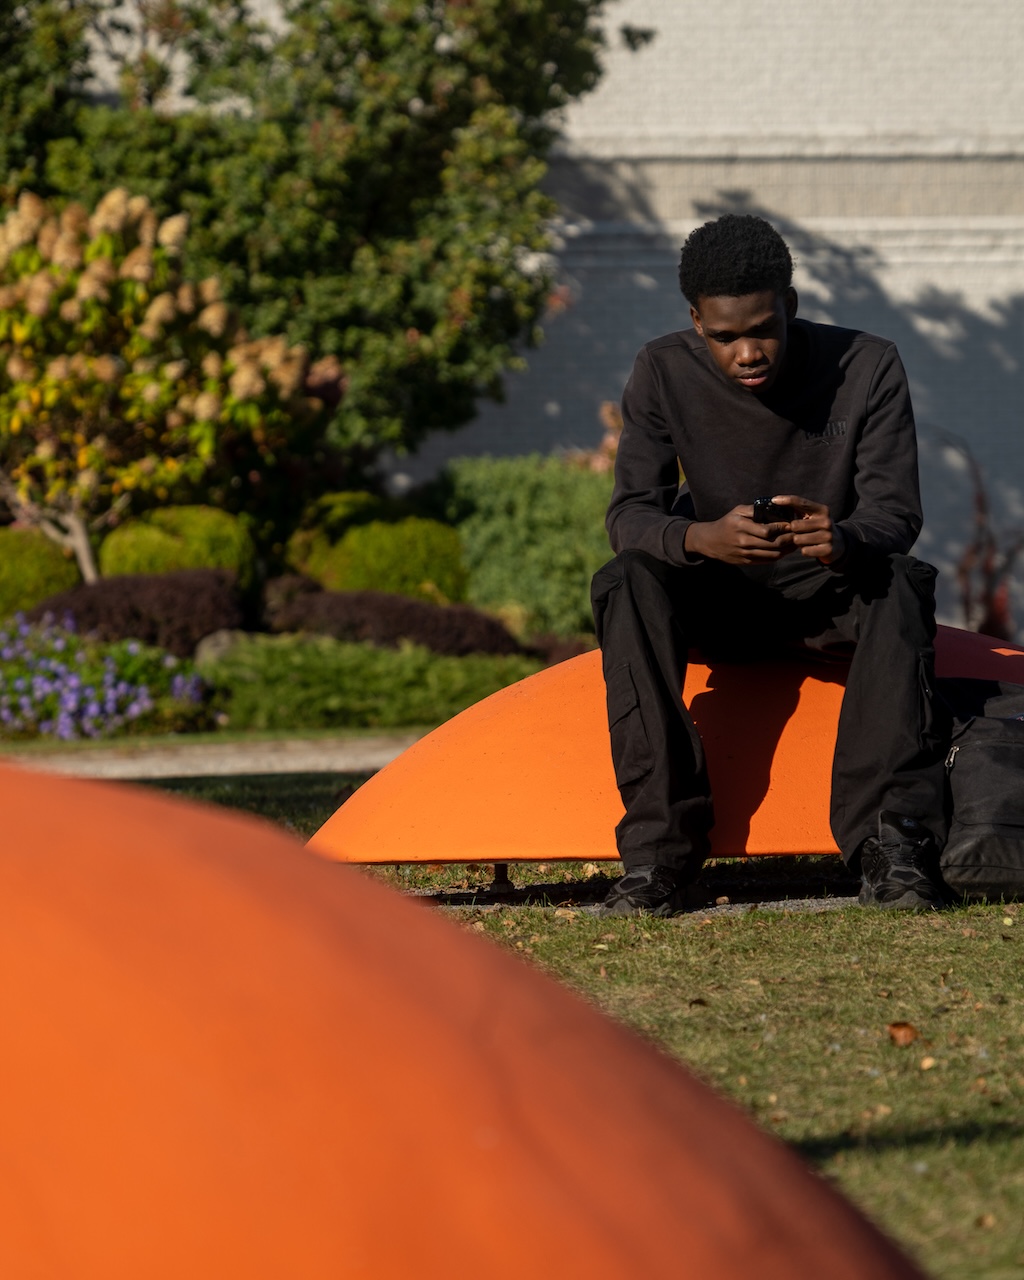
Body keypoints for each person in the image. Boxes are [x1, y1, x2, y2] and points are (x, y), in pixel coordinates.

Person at [591, 213, 949, 917]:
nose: (747, 352)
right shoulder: (661, 370)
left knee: (902, 582)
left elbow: (897, 512)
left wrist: (842, 538)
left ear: (790, 305)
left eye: (762, 329)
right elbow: (629, 513)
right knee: (626, 580)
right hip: (721, 592)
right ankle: (659, 862)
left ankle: (891, 848)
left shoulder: (867, 364)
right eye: (724, 337)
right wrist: (702, 540)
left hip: (830, 588)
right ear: (696, 321)